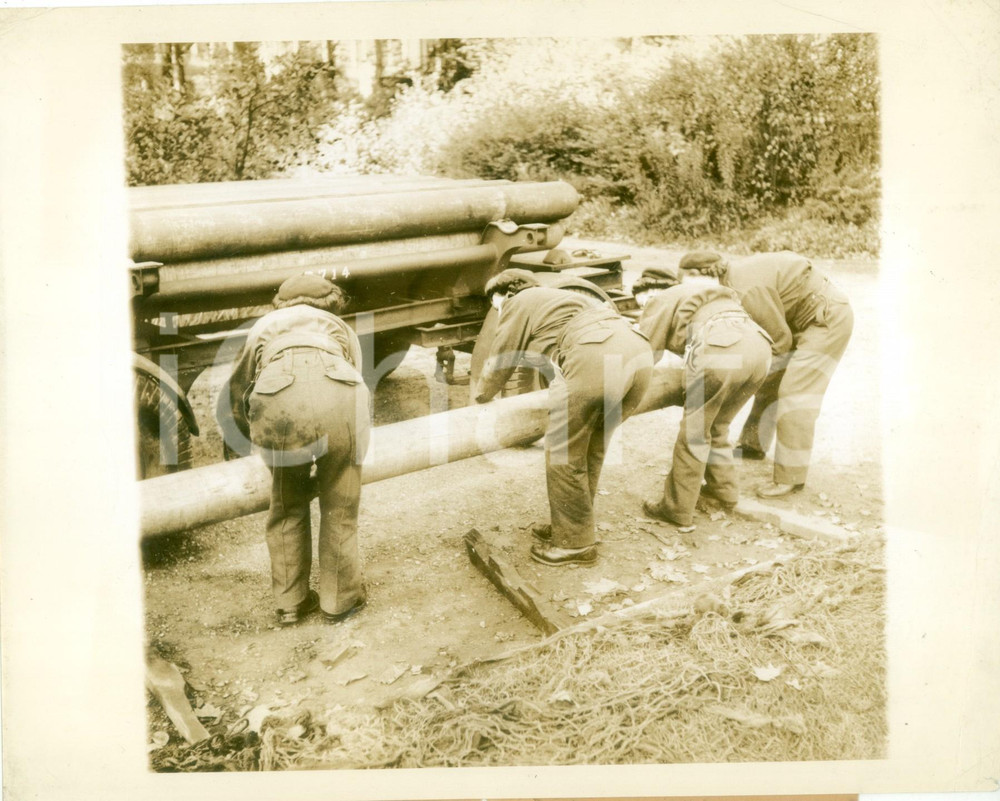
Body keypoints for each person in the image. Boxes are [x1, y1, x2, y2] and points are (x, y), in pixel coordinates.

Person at [218, 274, 370, 626]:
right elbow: (357, 375)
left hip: (280, 404)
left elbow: (239, 388)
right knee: (340, 504)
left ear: (281, 302)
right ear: (330, 301)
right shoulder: (339, 326)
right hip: (341, 399)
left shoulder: (264, 326)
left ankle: (291, 603)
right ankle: (339, 602)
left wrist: (246, 438)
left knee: (287, 501)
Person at [475, 270, 654, 566]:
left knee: (564, 452)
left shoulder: (519, 301)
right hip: (638, 351)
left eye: (495, 303)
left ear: (506, 292)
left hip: (597, 355)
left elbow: (503, 355)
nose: (497, 310)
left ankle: (575, 545)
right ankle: (572, 526)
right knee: (591, 446)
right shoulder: (563, 299)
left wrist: (482, 396)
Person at [677, 250, 854, 498]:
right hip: (799, 315)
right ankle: (753, 444)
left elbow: (779, 341)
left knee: (795, 394)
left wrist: (742, 373)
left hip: (825, 319)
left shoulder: (745, 288)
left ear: (700, 274)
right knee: (770, 381)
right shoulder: (729, 279)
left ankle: (790, 478)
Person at [635, 280, 772, 531]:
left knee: (694, 434)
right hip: (760, 347)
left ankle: (676, 510)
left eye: (640, 301)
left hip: (721, 350)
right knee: (718, 424)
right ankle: (723, 491)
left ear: (649, 293)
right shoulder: (701, 292)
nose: (641, 306)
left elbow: (645, 354)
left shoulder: (659, 299)